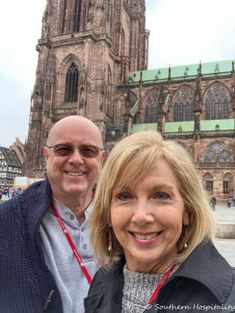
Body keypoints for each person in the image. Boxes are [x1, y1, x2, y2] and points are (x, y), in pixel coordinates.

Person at [85, 131, 235, 313]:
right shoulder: (101, 283)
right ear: (107, 212)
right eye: (124, 196)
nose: (141, 216)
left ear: (187, 210)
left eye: (161, 195)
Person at [0, 115, 105, 313]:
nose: (76, 159)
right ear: (46, 156)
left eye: (88, 151)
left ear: (101, 159)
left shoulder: (124, 218)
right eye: (63, 149)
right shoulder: (7, 221)